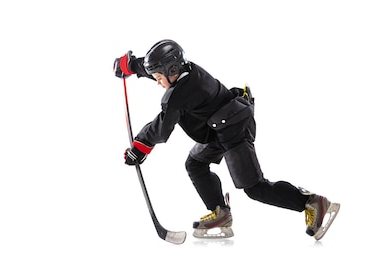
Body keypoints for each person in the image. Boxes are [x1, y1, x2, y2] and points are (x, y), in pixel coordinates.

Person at [113, 39, 340, 240]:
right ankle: (220, 214)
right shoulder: (182, 70)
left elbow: (161, 129)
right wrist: (130, 66)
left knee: (255, 188)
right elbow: (150, 67)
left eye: (159, 78)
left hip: (234, 130)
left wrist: (139, 147)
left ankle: (313, 203)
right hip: (216, 129)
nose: (157, 82)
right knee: (195, 163)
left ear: (172, 70)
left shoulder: (177, 96)